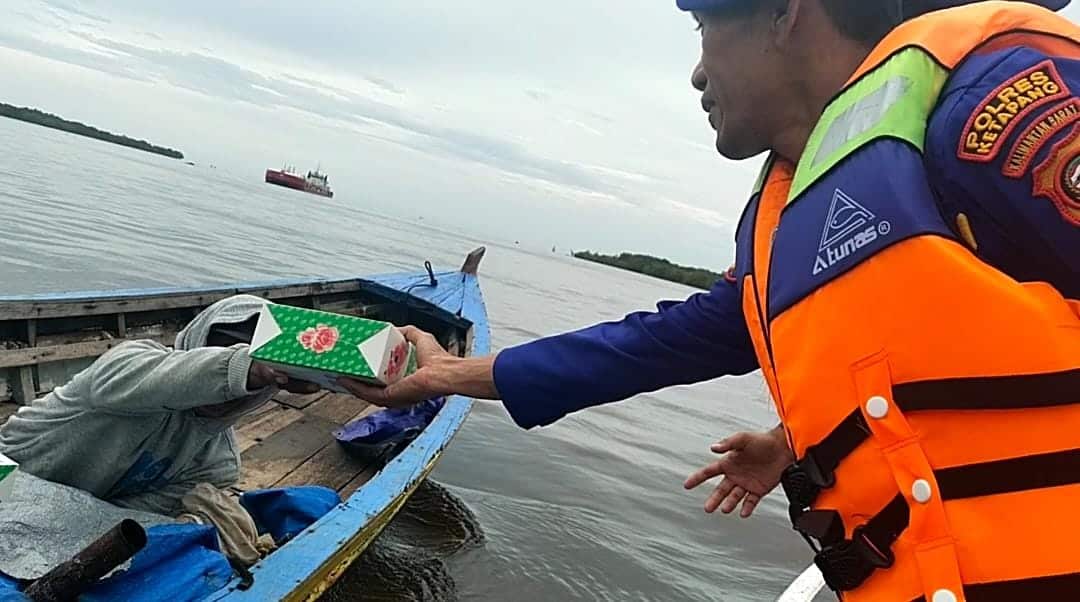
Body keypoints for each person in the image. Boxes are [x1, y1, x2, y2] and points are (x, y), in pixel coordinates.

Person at [341, 0, 1080, 599]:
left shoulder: (992, 97)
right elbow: (659, 342)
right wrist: (445, 377)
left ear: (786, 13)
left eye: (703, 28)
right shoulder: (788, 216)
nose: (697, 74)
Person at [0, 294, 318, 564]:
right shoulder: (129, 363)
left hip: (54, 515)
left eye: (255, 385)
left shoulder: (217, 464)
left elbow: (111, 516)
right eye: (220, 350)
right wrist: (247, 368)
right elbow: (166, 376)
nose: (232, 395)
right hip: (7, 472)